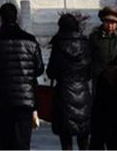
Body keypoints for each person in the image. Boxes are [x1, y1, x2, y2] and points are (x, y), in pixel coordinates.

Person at [0, 2, 43, 151]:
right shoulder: (30, 40)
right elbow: (39, 69)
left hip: (1, 99)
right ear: (17, 17)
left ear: (1, 18)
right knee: (22, 143)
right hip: (25, 100)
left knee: (3, 141)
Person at [47, 13, 94, 150]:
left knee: (66, 141)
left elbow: (51, 72)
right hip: (83, 95)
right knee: (84, 139)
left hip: (63, 95)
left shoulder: (58, 44)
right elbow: (90, 71)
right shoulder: (85, 44)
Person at [89, 7, 117, 82]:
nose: (110, 26)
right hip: (99, 77)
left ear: (116, 24)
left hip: (116, 77)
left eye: (113, 23)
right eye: (107, 22)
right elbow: (89, 56)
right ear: (103, 22)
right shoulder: (94, 37)